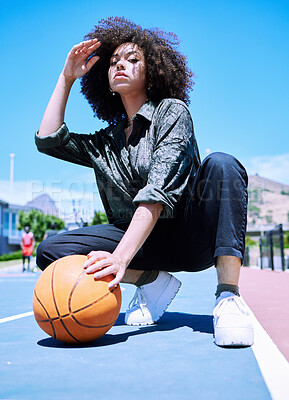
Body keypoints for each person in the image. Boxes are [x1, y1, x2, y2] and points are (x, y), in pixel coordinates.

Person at [35, 16, 253, 347]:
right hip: (141, 246)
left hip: (190, 235)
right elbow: (49, 139)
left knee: (222, 164)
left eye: (133, 59)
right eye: (113, 62)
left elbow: (157, 191)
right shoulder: (105, 141)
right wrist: (66, 78)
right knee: (53, 251)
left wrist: (120, 258)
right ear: (105, 80)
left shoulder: (172, 112)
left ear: (151, 72)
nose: (120, 64)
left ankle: (228, 297)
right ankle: (151, 281)